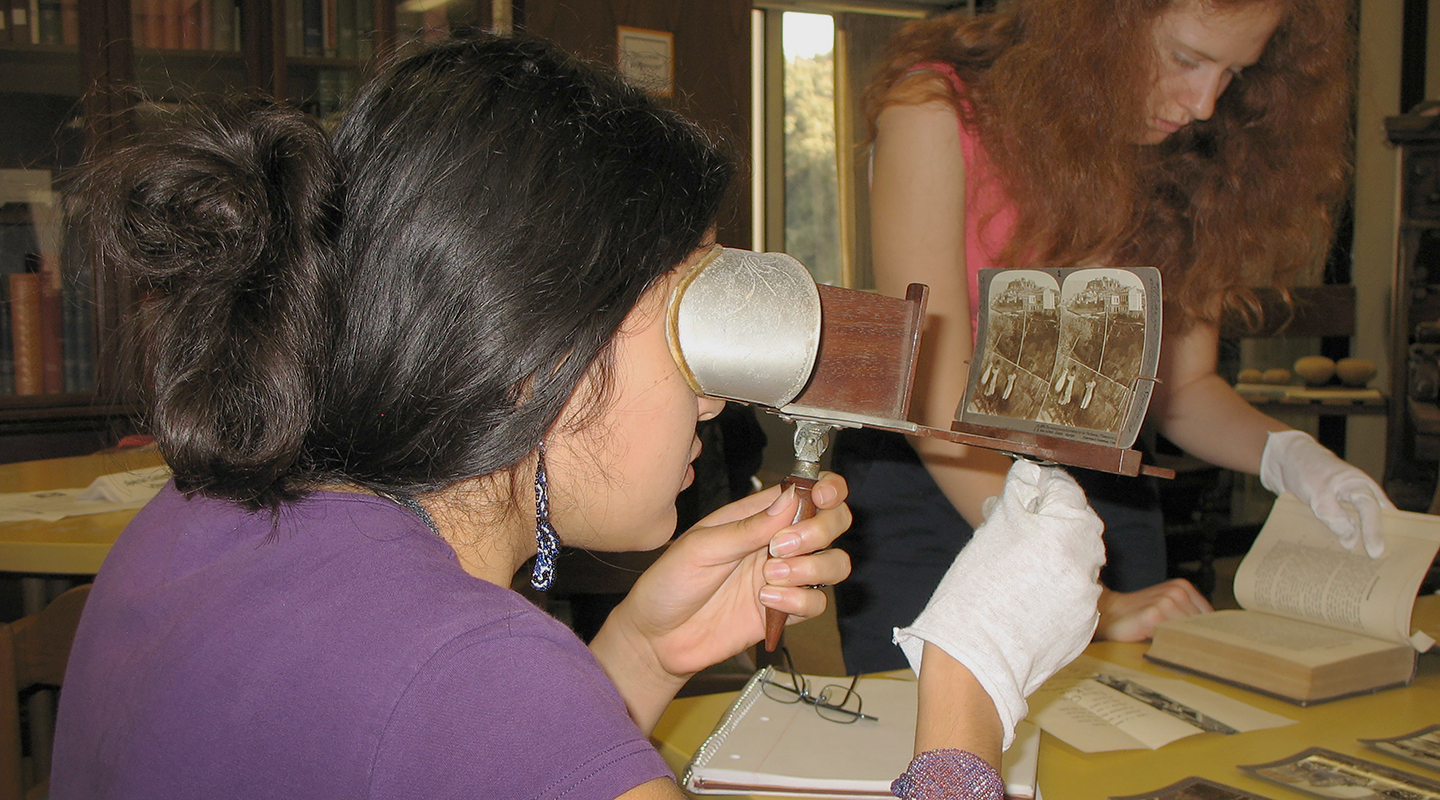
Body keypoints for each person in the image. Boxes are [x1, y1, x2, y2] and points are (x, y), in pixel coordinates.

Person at [49, 34, 1106, 800]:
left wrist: (642, 649)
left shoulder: (191, 521)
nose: (713, 392)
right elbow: (464, 715)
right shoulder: (471, 672)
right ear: (534, 356)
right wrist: (972, 677)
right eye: (687, 321)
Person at [834, 0, 1388, 674]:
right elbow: (933, 396)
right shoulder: (935, 113)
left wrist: (1292, 457)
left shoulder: (1186, 156)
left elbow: (1183, 391)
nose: (1205, 103)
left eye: (1232, 73)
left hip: (1099, 491)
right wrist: (1083, 592)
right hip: (937, 488)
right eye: (1186, 59)